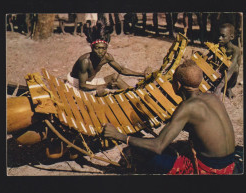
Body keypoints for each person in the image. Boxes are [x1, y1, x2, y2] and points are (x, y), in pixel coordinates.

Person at [104, 59, 236, 174]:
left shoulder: (187, 107)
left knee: (141, 152)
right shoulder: (212, 97)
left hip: (211, 169)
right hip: (230, 163)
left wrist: (119, 136)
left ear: (177, 84)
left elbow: (158, 146)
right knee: (174, 146)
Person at [66, 20, 151, 93]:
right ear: (92, 48)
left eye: (103, 48)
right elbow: (82, 86)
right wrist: (105, 85)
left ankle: (134, 95)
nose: (100, 52)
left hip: (89, 83)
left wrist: (142, 74)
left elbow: (121, 70)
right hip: (76, 87)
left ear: (106, 48)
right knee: (103, 91)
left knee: (115, 77)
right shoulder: (85, 61)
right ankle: (134, 96)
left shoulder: (106, 57)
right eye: (97, 48)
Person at [214, 23, 241, 99]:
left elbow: (231, 66)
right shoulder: (219, 47)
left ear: (231, 37)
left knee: (234, 66)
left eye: (223, 36)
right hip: (219, 74)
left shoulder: (235, 50)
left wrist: (220, 85)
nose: (219, 38)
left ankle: (224, 88)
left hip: (230, 78)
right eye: (219, 35)